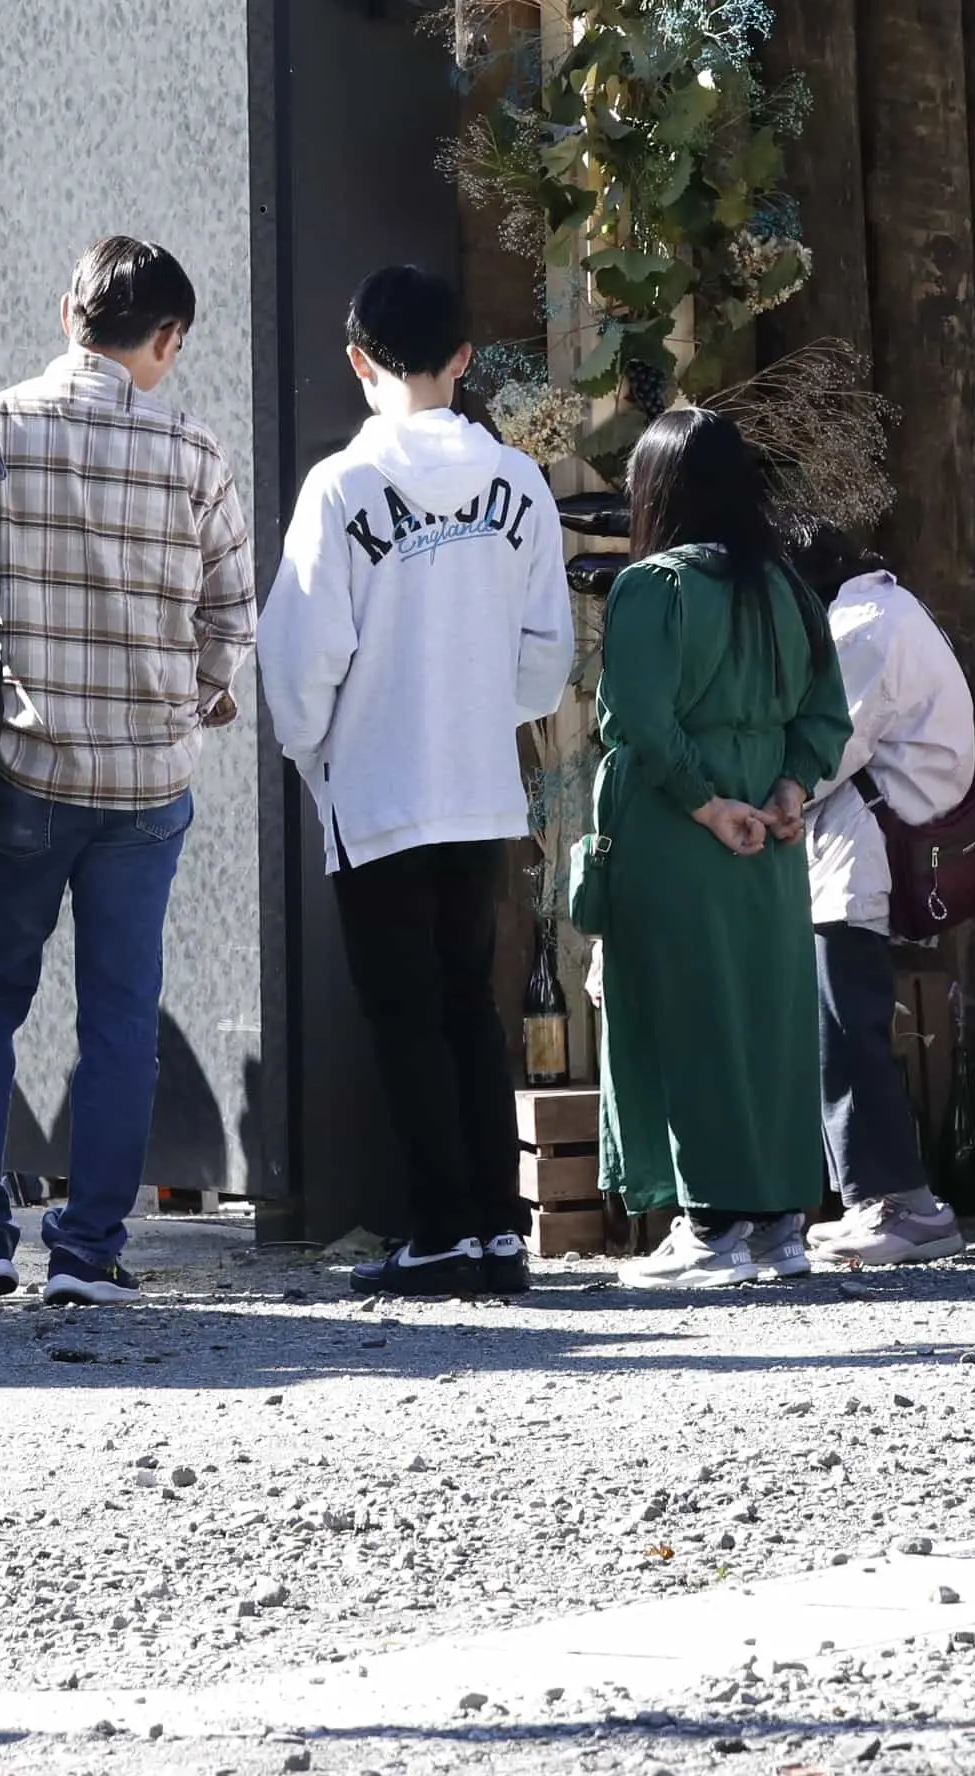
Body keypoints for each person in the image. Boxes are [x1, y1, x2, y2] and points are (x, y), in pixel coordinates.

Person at [0, 236, 255, 1309]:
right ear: (168, 339)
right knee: (122, 1016)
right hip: (147, 785)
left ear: (66, 315)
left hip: (17, 773)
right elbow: (234, 613)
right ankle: (89, 1251)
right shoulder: (194, 451)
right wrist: (191, 696)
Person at [255, 264, 574, 1299]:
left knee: (403, 1015)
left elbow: (299, 655)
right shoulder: (518, 483)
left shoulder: (343, 486)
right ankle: (492, 1226)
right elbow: (544, 655)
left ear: (358, 361)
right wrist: (482, 710)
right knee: (465, 1006)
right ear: (465, 360)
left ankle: (440, 1227)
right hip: (481, 785)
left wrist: (317, 751)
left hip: (379, 786)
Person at [584, 408, 851, 1283]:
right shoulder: (789, 588)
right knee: (768, 1020)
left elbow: (637, 722)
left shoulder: (651, 588)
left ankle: (707, 1229)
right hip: (771, 842)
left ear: (657, 493)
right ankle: (781, 1226)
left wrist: (707, 807)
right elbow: (826, 717)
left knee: (682, 1018)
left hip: (677, 836)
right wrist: (786, 790)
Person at [785, 518, 975, 1269]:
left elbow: (824, 753)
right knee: (847, 1025)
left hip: (862, 851)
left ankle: (906, 1205)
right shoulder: (887, 609)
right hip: (870, 841)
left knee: (847, 1029)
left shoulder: (860, 630)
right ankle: (877, 1198)